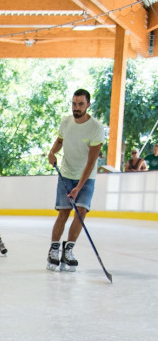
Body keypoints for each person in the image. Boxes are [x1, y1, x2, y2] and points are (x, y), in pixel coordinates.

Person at [46, 88, 105, 272]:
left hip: (86, 178)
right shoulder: (66, 122)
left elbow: (91, 162)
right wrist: (51, 152)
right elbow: (60, 140)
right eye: (74, 103)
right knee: (63, 213)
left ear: (88, 105)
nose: (76, 107)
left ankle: (68, 251)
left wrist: (79, 187)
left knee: (81, 211)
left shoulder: (96, 128)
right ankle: (54, 250)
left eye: (80, 104)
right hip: (66, 174)